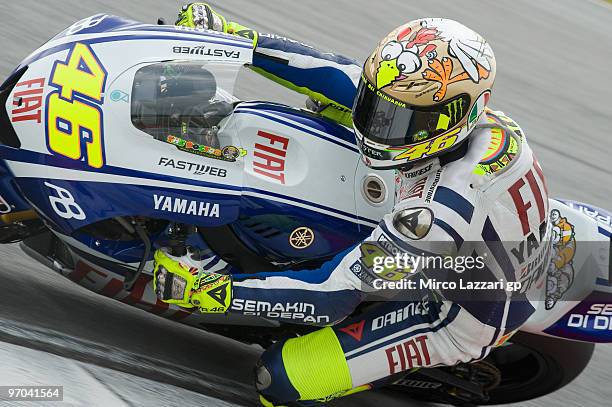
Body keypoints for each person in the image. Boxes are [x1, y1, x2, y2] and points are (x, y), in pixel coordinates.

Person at [152, 3, 552, 406]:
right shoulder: (460, 118)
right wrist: (232, 35)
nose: (380, 125)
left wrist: (216, 293)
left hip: (454, 309)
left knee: (279, 380)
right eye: (379, 108)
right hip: (475, 234)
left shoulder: (435, 216)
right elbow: (331, 72)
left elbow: (333, 293)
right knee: (329, 110)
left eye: (400, 120)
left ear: (457, 116)